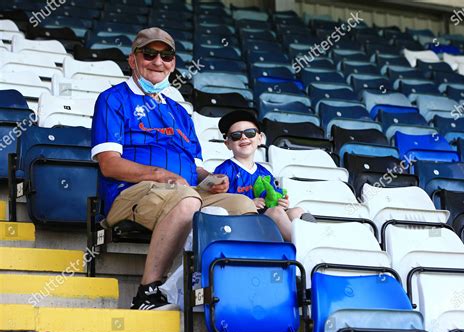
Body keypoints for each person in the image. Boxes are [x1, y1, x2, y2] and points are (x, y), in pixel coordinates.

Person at [91, 27, 257, 311]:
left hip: (185, 190)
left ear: (173, 63)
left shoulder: (180, 112)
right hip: (131, 193)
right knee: (187, 199)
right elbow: (109, 164)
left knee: (243, 205)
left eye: (166, 55)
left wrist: (212, 180)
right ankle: (148, 290)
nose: (158, 61)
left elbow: (196, 170)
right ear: (133, 60)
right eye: (150, 54)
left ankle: (229, 286)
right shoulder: (113, 99)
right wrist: (160, 175)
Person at [214, 110, 304, 241]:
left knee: (297, 211)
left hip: (266, 222)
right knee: (276, 212)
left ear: (260, 138)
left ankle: (315, 245)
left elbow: (272, 197)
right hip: (241, 224)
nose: (244, 138)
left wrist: (281, 202)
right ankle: (303, 248)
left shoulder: (264, 172)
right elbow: (218, 203)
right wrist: (249, 204)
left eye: (250, 133)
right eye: (236, 135)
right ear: (227, 144)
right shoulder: (224, 170)